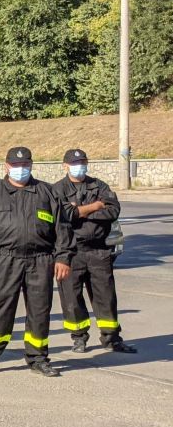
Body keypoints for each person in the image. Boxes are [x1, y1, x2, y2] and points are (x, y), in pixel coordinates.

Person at [0, 147, 74, 377]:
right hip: (4, 260)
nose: (21, 170)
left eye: (25, 165)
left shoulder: (47, 193)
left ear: (32, 165)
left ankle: (38, 358)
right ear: (6, 166)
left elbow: (62, 229)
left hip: (41, 260)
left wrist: (63, 257)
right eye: (16, 166)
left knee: (39, 310)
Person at [54, 149, 134, 354]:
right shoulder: (57, 190)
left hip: (99, 251)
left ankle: (111, 338)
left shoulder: (99, 185)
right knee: (71, 298)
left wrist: (80, 211)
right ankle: (79, 338)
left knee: (106, 297)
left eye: (82, 162)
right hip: (70, 252)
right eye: (74, 162)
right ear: (65, 166)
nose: (79, 166)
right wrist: (95, 206)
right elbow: (62, 214)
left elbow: (113, 211)